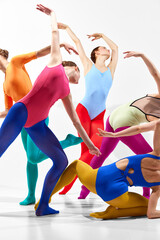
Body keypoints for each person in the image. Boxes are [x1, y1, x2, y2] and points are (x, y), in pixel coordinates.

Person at [0, 4, 101, 216]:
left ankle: (43, 204)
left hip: (37, 125)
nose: (77, 80)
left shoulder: (66, 92)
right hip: (21, 112)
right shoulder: (55, 62)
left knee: (61, 161)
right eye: (78, 75)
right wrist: (52, 15)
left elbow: (75, 121)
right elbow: (54, 34)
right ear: (73, 67)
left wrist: (90, 144)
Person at [0, 43, 83, 205]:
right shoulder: (4, 85)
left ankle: (67, 141)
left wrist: (58, 45)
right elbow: (9, 110)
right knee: (30, 160)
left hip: (37, 117)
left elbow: (39, 53)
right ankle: (31, 195)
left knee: (33, 156)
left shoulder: (16, 63)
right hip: (22, 121)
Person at [35, 119, 160, 220]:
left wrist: (114, 134)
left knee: (76, 165)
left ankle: (46, 197)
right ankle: (113, 213)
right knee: (146, 206)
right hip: (114, 195)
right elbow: (151, 213)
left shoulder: (157, 153)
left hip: (96, 178)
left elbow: (139, 128)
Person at [79, 51, 160, 199]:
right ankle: (147, 194)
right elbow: (141, 128)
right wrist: (143, 55)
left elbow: (155, 74)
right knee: (150, 158)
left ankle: (84, 191)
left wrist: (142, 56)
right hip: (123, 122)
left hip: (113, 117)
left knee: (101, 154)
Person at [57, 22, 118, 195]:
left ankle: (70, 184)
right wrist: (67, 28)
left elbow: (116, 48)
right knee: (86, 150)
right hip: (83, 110)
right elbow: (77, 42)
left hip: (99, 114)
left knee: (93, 151)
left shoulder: (111, 69)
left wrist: (102, 35)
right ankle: (75, 187)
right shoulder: (88, 65)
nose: (107, 49)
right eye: (103, 47)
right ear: (97, 53)